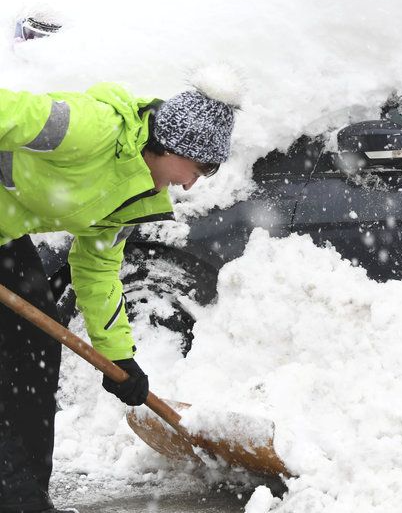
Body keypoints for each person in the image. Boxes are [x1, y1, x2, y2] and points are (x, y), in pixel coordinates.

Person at [0, 77, 237, 513]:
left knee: (33, 356)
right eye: (200, 170)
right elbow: (7, 111)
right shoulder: (90, 128)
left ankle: (23, 498)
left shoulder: (138, 195)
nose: (191, 185)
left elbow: (96, 269)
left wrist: (120, 357)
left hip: (4, 238)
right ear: (174, 146)